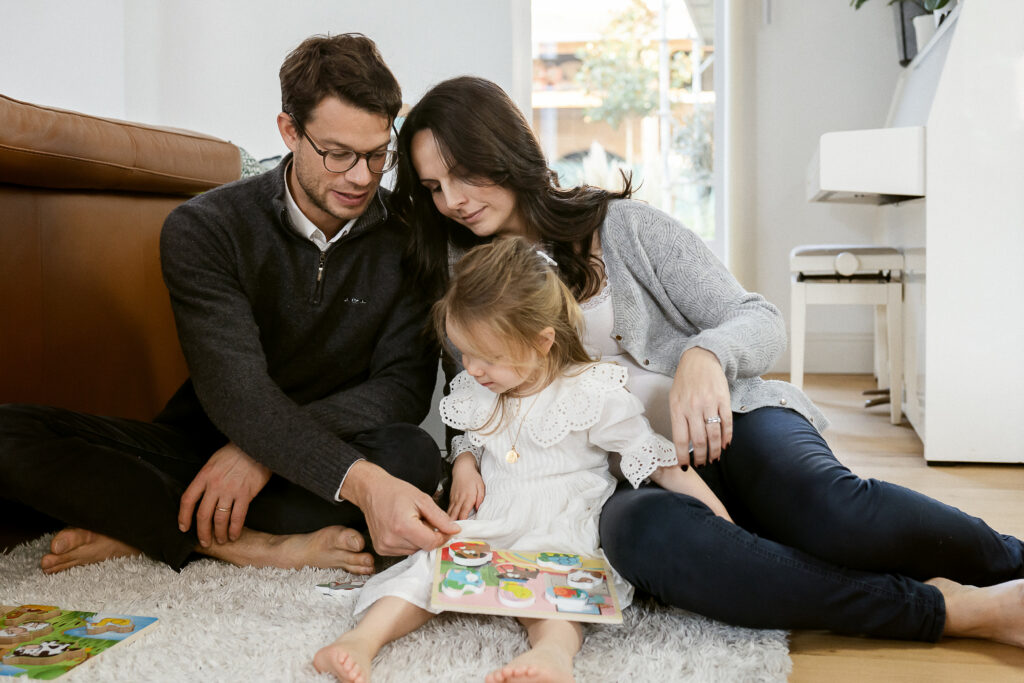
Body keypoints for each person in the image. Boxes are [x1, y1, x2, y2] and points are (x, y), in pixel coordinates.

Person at [391, 75, 1024, 649]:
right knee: (648, 541)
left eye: (463, 174)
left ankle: (1009, 561)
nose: (452, 201)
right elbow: (470, 397)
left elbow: (758, 318)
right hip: (621, 479)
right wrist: (464, 457)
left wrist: (704, 353)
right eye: (433, 188)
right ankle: (947, 611)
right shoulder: (463, 281)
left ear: (503, 150)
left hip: (732, 427)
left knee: (830, 511)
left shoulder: (627, 229)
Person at [0, 34, 459, 576]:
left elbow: (401, 389)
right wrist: (260, 450)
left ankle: (141, 523)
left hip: (332, 449)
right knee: (8, 434)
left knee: (413, 458)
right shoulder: (205, 228)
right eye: (338, 154)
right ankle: (241, 545)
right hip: (206, 447)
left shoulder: (411, 237)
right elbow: (235, 392)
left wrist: (261, 454)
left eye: (377, 154)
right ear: (290, 131)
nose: (361, 176)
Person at [313, 237, 732, 683]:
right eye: (464, 352)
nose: (471, 369)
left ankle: (552, 654)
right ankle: (362, 640)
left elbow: (656, 461)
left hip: (561, 521)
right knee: (425, 570)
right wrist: (465, 465)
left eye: (487, 357)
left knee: (558, 590)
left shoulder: (590, 392)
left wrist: (719, 520)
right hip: (494, 514)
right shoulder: (481, 389)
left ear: (541, 342)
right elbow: (470, 438)